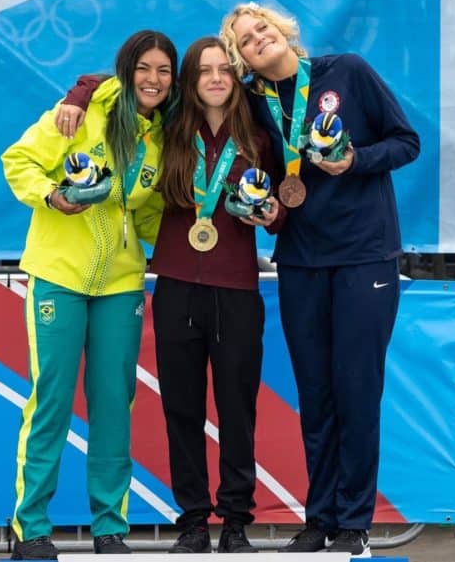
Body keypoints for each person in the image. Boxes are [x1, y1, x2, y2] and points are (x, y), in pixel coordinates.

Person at [56, 36, 281, 554]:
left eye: (226, 69)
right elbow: (111, 84)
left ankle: (237, 522)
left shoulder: (259, 135)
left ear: (236, 76)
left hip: (238, 288)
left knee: (237, 410)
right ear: (191, 81)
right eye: (205, 71)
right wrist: (77, 94)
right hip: (177, 285)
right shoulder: (172, 126)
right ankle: (194, 521)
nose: (217, 79)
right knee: (181, 409)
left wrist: (273, 213)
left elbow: (276, 206)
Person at [220, 2, 420, 556]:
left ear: (282, 30)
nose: (258, 38)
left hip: (364, 256)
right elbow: (189, 92)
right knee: (317, 395)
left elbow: (406, 142)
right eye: (246, 39)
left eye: (262, 28)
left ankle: (354, 522)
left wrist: (352, 160)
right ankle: (319, 518)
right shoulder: (250, 101)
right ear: (242, 57)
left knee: (357, 390)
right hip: (301, 259)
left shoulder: (347, 72)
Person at [1, 29, 178, 561]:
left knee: (113, 406)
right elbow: (19, 161)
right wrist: (53, 198)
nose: (153, 79)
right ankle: (30, 528)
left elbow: (143, 213)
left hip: (121, 283)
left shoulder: (161, 139)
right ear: (127, 71)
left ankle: (109, 527)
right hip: (59, 274)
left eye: (164, 71)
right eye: (143, 68)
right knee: (51, 402)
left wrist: (189, 230)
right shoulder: (78, 115)